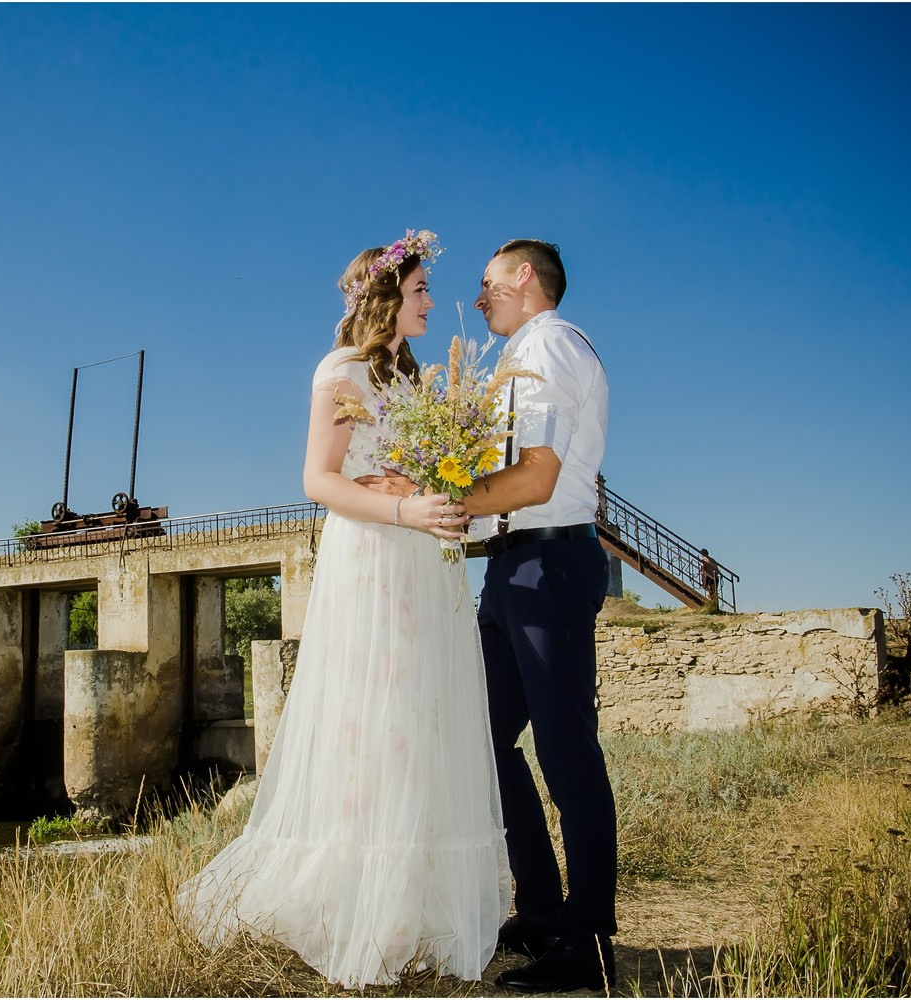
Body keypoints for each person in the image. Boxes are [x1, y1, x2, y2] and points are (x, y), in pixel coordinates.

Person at [176, 231, 512, 989]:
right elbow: (319, 481)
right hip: (373, 563)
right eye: (421, 290)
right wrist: (403, 511)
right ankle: (366, 912)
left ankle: (416, 909)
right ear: (386, 298)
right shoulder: (341, 372)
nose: (432, 302)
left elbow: (422, 472)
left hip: (426, 568)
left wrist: (442, 502)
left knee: (422, 723)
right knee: (378, 724)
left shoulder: (416, 384)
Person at [460, 239, 618, 993]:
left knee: (565, 748)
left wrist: (444, 501)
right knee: (484, 738)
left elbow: (537, 476)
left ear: (524, 276)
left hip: (549, 564)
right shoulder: (517, 356)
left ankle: (588, 942)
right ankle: (542, 910)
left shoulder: (550, 347)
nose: (478, 295)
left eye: (487, 281)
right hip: (510, 567)